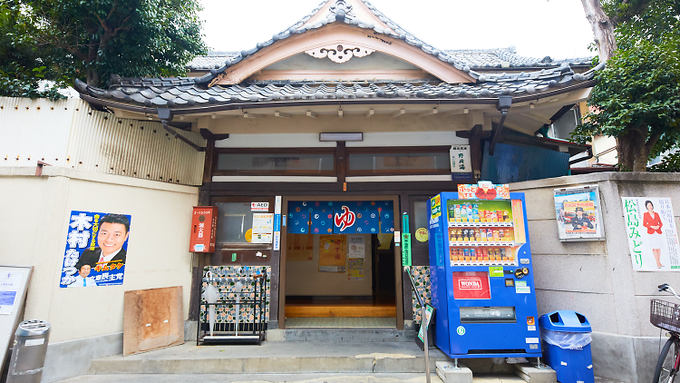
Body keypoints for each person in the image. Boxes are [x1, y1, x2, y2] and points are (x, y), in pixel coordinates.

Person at [643, 200, 664, 269]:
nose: (650, 206)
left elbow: (661, 223)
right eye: (648, 205)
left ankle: (659, 262)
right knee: (654, 248)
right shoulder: (645, 214)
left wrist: (658, 226)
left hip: (658, 231)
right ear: (646, 206)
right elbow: (644, 224)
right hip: (651, 232)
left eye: (650, 205)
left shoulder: (656, 214)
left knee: (658, 247)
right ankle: (658, 263)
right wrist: (651, 226)